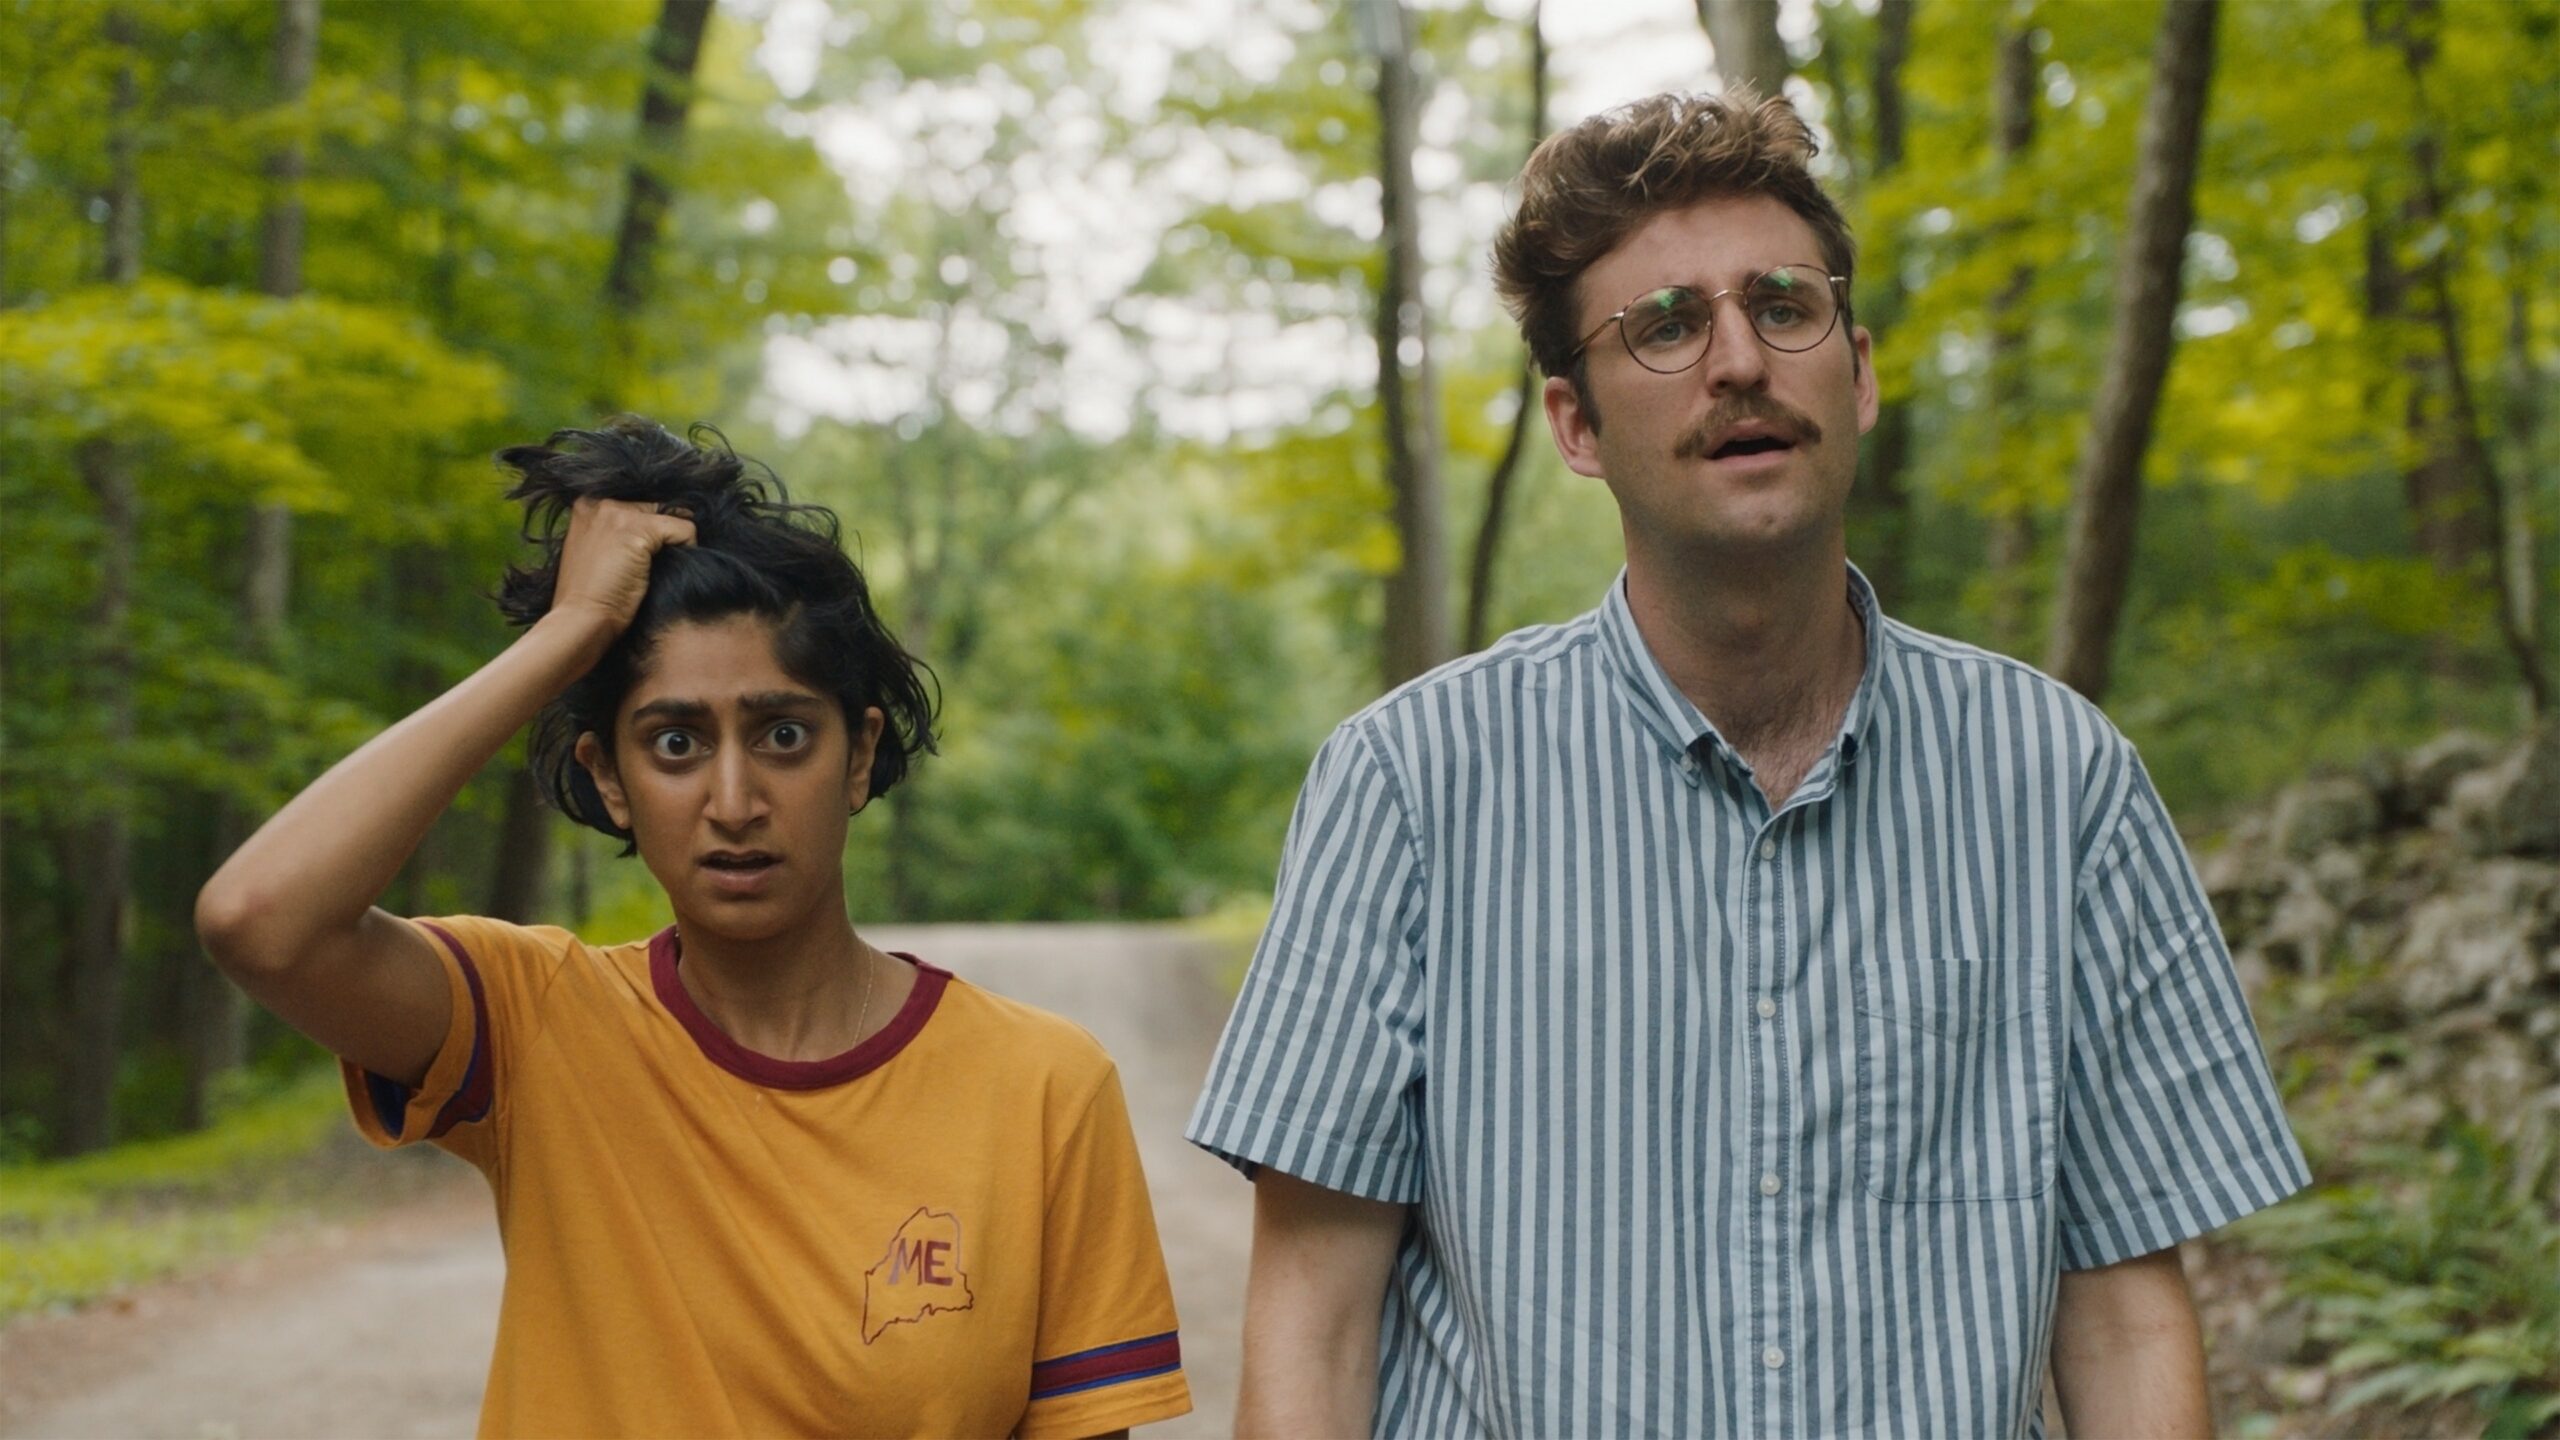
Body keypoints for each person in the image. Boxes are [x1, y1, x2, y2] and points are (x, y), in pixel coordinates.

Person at [1187, 89, 2307, 1438]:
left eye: (1783, 307)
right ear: (1576, 426)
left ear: (1860, 372)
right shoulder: (1412, 787)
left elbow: (2124, 1313)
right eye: (1665, 326)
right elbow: (1313, 1328)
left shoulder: (2059, 783)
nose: (1738, 362)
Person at [197, 418, 1191, 1439]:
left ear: (858, 758)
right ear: (608, 780)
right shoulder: (537, 1023)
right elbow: (259, 921)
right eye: (674, 743)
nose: (733, 801)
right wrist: (569, 631)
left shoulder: (1043, 1087)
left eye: (783, 735)